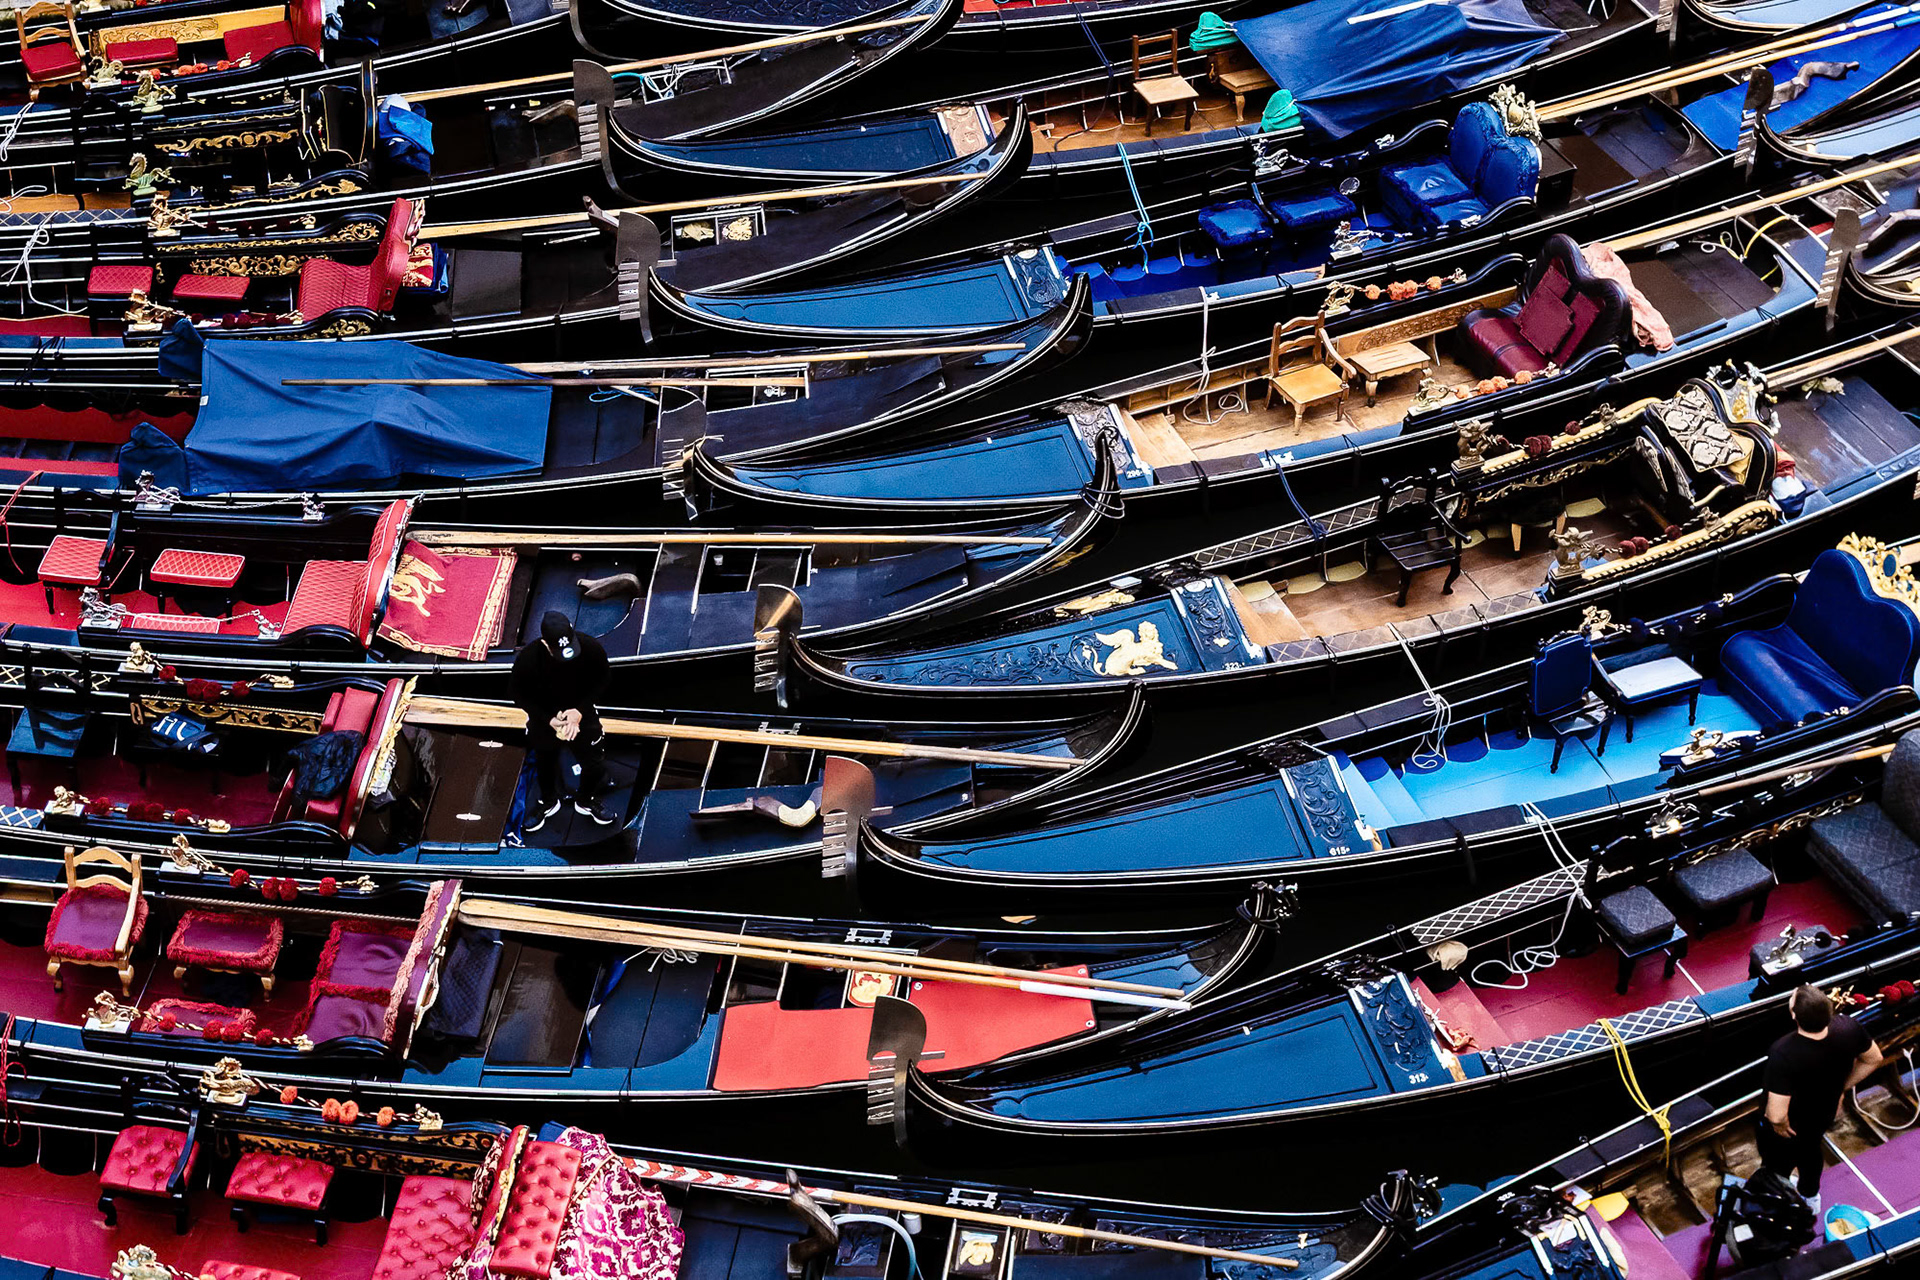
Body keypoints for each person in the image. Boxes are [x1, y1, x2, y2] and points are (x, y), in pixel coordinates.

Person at [1759, 985, 1884, 1212]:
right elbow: (1874, 1058)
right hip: (1824, 1112)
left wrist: (1780, 1125)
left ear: (1794, 1014)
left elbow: (1776, 1114)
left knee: (1777, 1162)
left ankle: (1778, 1199)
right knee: (1811, 1149)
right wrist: (1841, 1088)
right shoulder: (1848, 1027)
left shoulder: (1783, 1053)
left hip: (1792, 1122)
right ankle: (1810, 1195)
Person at [510, 612, 616, 830]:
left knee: (594, 761)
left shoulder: (590, 648)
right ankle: (549, 801)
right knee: (544, 760)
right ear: (544, 644)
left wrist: (579, 710)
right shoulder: (528, 659)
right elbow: (518, 694)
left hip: (581, 712)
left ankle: (586, 801)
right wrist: (548, 719)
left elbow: (603, 679)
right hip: (546, 716)